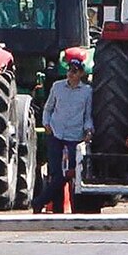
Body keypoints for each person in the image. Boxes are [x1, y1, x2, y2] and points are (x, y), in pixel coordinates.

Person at [34, 57, 93, 213]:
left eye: (74, 71)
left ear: (81, 73)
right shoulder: (57, 87)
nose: (70, 74)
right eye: (69, 70)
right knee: (56, 173)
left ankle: (39, 201)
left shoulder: (87, 92)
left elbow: (87, 116)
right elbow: (48, 108)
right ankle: (57, 209)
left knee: (70, 173)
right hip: (56, 133)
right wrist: (46, 124)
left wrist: (88, 131)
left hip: (74, 136)